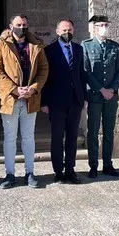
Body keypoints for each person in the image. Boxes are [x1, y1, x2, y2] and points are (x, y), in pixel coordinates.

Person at [0, 14, 49, 189]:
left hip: (30, 98)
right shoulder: (2, 44)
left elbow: (44, 69)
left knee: (29, 137)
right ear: (11, 26)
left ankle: (30, 172)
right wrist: (15, 89)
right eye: (18, 24)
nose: (21, 27)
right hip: (10, 98)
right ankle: (10, 174)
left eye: (24, 25)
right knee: (10, 138)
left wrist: (34, 87)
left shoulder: (36, 45)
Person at [41, 19, 87, 184]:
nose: (67, 32)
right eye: (64, 29)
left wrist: (84, 98)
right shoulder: (49, 51)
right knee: (57, 137)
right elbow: (44, 78)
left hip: (75, 100)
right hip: (56, 101)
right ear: (57, 31)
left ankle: (70, 169)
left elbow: (82, 74)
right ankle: (58, 171)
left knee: (72, 137)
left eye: (70, 29)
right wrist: (44, 102)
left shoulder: (78, 49)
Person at [82, 15, 119, 179]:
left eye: (107, 24)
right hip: (94, 96)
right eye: (101, 25)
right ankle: (93, 165)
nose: (105, 27)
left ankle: (108, 164)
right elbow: (86, 71)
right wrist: (101, 89)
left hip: (111, 97)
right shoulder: (86, 46)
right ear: (94, 27)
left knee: (109, 131)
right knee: (93, 131)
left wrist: (112, 89)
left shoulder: (114, 46)